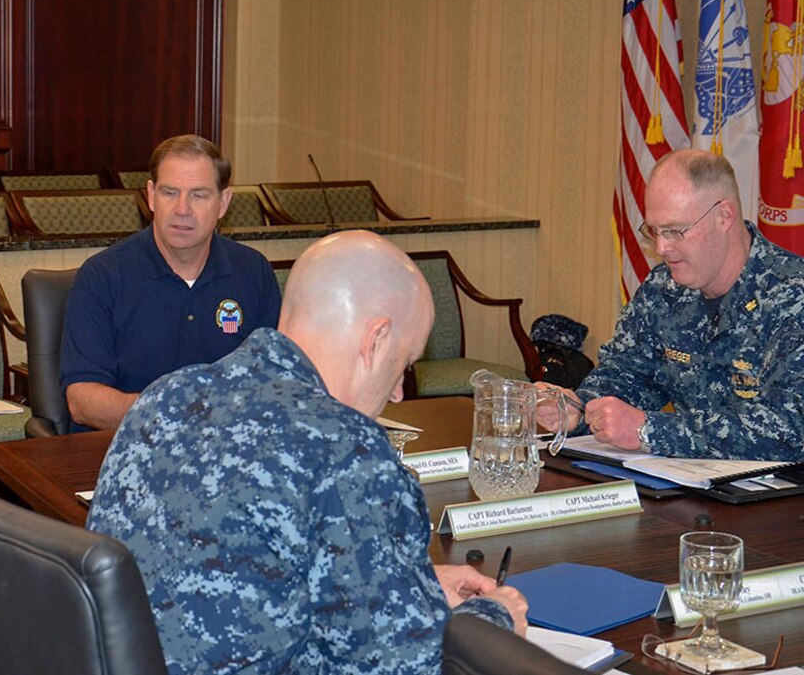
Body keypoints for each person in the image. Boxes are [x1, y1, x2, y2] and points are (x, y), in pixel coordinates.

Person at [88, 230, 527, 675]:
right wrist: (493, 620)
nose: (397, 392)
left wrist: (412, 583)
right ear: (375, 339)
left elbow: (244, 572)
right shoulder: (346, 449)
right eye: (404, 365)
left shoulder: (167, 396)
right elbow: (405, 667)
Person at [537, 149, 804, 461]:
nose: (662, 248)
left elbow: (790, 430)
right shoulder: (664, 288)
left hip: (781, 498)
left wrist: (647, 431)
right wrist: (581, 408)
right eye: (655, 231)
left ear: (724, 216)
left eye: (676, 231)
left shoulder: (792, 297)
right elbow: (628, 372)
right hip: (690, 488)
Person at [59, 134, 281, 431]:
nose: (182, 209)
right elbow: (83, 402)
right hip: (127, 452)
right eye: (169, 192)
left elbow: (278, 380)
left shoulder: (253, 271)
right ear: (151, 195)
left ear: (223, 202)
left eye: (198, 195)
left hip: (227, 452)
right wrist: (181, 413)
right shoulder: (102, 276)